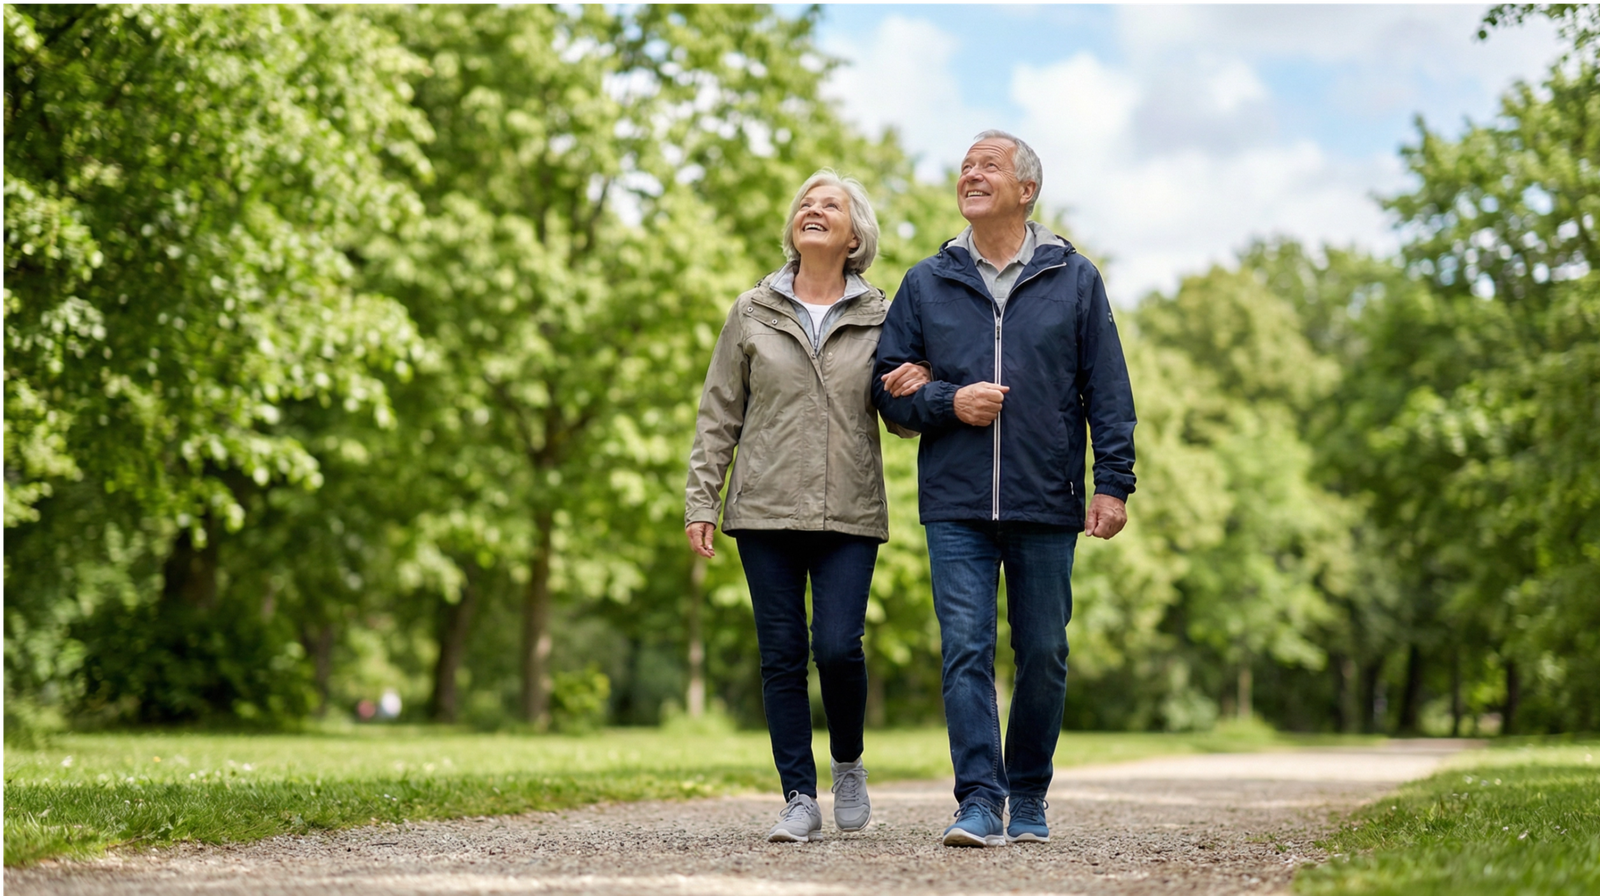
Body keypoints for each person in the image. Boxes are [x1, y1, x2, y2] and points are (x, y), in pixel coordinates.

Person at [872, 131, 1137, 847]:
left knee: (1044, 651)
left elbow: (1107, 390)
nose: (970, 174)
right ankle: (980, 802)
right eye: (964, 166)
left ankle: (1029, 794)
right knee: (964, 650)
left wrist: (1113, 483)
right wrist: (946, 401)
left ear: (1026, 190)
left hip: (1046, 497)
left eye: (988, 165)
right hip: (956, 501)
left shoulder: (1075, 278)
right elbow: (887, 391)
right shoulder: (926, 281)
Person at [685, 170, 929, 843]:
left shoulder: (884, 316)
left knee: (838, 647)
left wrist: (916, 387)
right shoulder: (752, 311)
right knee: (782, 653)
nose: (814, 211)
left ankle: (847, 763)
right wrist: (700, 499)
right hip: (762, 507)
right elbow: (718, 414)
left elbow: (903, 422)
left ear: (855, 237)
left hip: (848, 508)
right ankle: (798, 795)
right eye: (806, 204)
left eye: (831, 206)